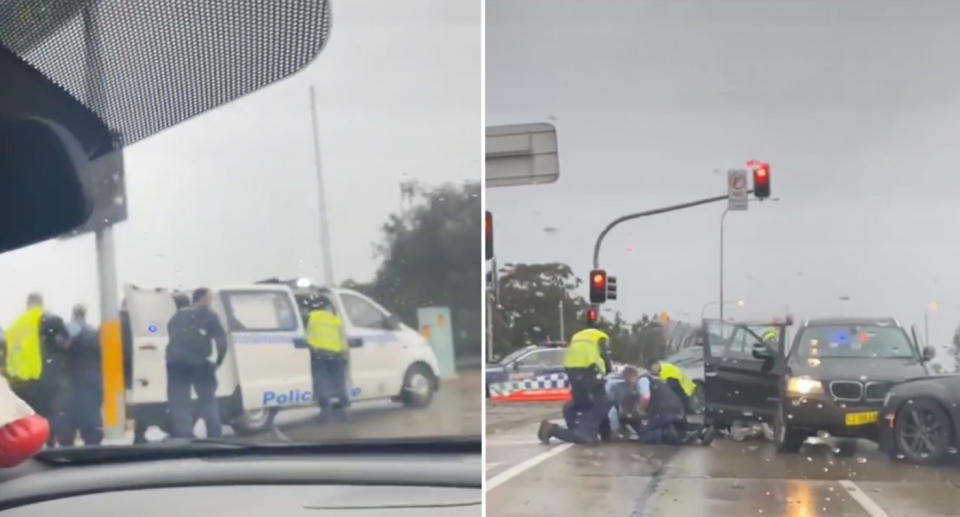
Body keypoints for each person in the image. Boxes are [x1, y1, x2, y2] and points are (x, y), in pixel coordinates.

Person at [4, 293, 68, 447]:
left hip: (18, 383)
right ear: (41, 303)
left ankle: (33, 452)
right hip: (42, 380)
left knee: (27, 422)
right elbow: (65, 344)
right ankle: (50, 449)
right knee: (49, 418)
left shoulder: (13, 327)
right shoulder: (48, 319)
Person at [165, 288, 227, 439]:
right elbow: (222, 342)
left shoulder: (177, 315)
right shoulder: (209, 314)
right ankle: (215, 437)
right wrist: (218, 362)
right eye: (210, 298)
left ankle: (183, 438)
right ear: (203, 298)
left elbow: (170, 333)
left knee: (180, 403)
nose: (211, 302)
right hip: (200, 364)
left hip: (176, 364)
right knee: (208, 400)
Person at [538, 328, 612, 445]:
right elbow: (607, 363)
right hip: (590, 369)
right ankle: (555, 429)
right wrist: (607, 368)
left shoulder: (578, 338)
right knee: (602, 401)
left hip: (571, 368)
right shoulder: (601, 338)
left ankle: (595, 432)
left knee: (585, 400)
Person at [55, 304, 103, 446]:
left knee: (68, 417)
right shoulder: (94, 331)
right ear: (85, 314)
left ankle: (67, 444)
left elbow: (61, 348)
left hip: (72, 380)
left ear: (73, 314)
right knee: (91, 415)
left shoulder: (69, 329)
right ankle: (93, 442)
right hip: (93, 380)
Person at [632, 367, 714, 445]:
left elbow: (646, 397)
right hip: (678, 408)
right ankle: (700, 431)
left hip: (663, 412)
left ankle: (670, 434)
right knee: (679, 425)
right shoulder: (659, 381)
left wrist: (641, 410)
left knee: (645, 434)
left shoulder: (642, 380)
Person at [305, 295, 349, 419]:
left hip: (319, 355)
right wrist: (344, 354)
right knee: (339, 382)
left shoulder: (310, 318)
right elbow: (342, 338)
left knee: (322, 381)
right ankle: (343, 407)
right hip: (336, 355)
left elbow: (304, 335)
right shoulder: (335, 319)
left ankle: (325, 408)